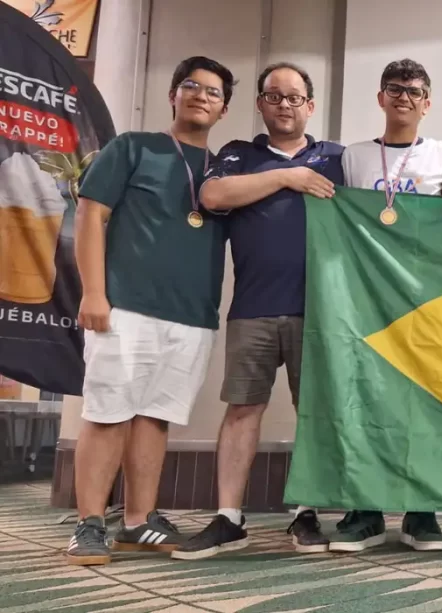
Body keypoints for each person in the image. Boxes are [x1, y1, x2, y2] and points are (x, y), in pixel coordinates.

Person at [65, 56, 235, 566]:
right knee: (107, 414)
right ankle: (89, 523)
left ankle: (138, 521)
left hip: (193, 314)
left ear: (224, 109)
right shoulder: (133, 147)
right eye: (191, 86)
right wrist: (93, 293)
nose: (201, 96)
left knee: (156, 417)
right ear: (173, 95)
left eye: (213, 92)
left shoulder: (224, 170)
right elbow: (90, 215)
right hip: (125, 306)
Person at [171, 62, 343, 560]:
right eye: (274, 96)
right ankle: (229, 517)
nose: (284, 105)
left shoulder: (336, 158)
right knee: (243, 409)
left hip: (323, 311)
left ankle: (306, 511)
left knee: (315, 412)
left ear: (310, 105)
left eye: (294, 97)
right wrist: (289, 176)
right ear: (260, 104)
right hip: (253, 306)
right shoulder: (238, 154)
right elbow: (212, 195)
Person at [330, 59, 442, 553]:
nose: (404, 97)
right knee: (365, 400)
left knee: (423, 404)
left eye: (415, 91)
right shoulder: (353, 157)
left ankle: (421, 512)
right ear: (381, 98)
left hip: (424, 299)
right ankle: (366, 511)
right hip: (365, 297)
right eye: (395, 89)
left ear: (428, 103)